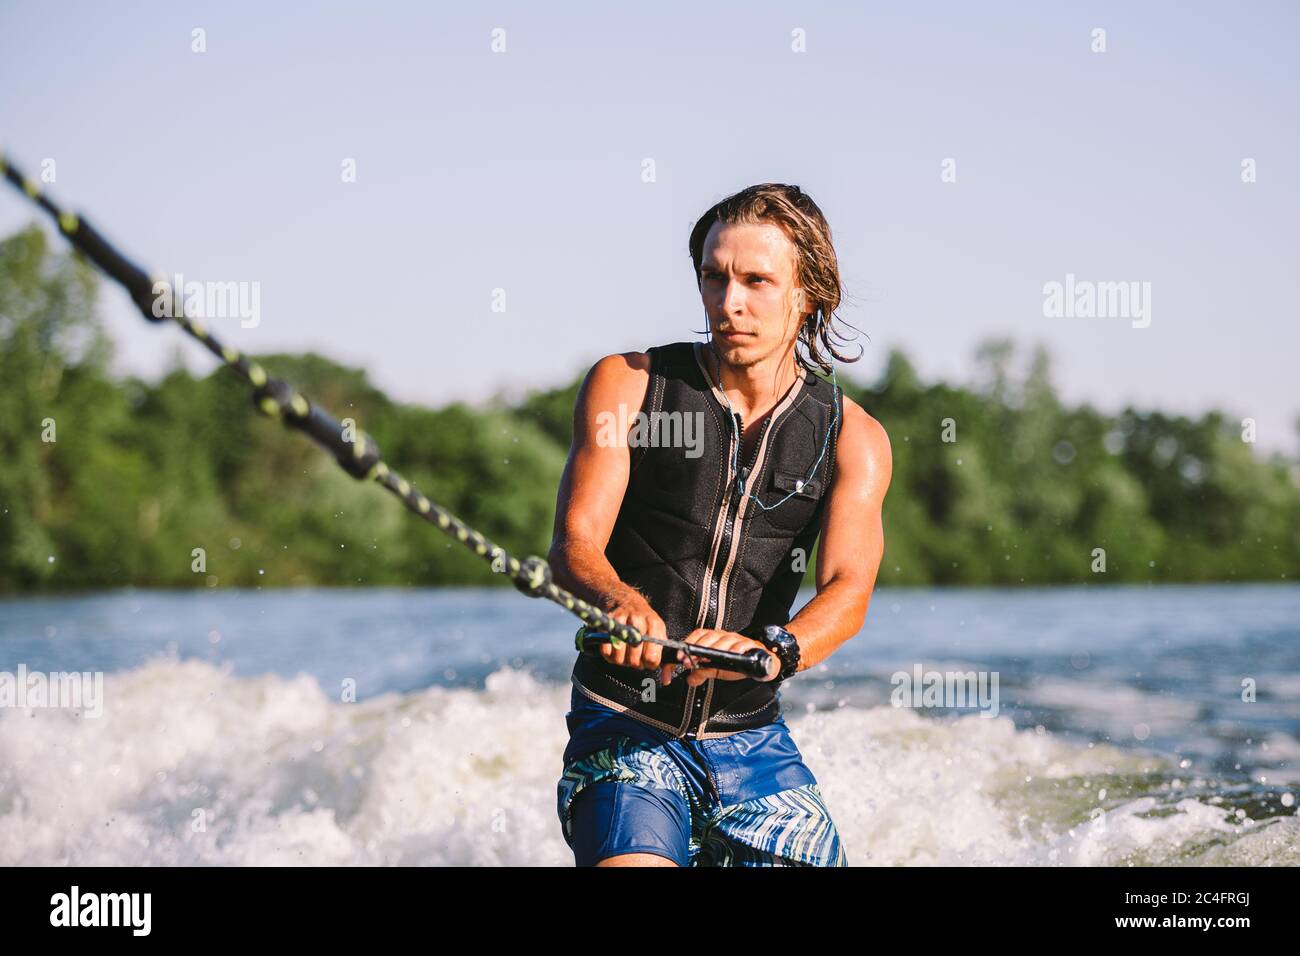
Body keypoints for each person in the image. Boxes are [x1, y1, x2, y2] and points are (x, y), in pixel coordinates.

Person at [547, 183, 892, 866]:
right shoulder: (632, 384)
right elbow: (574, 546)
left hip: (754, 743)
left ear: (809, 293)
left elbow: (849, 590)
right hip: (626, 726)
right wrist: (619, 601)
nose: (728, 302)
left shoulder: (853, 437)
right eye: (714, 276)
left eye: (756, 281)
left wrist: (776, 652)